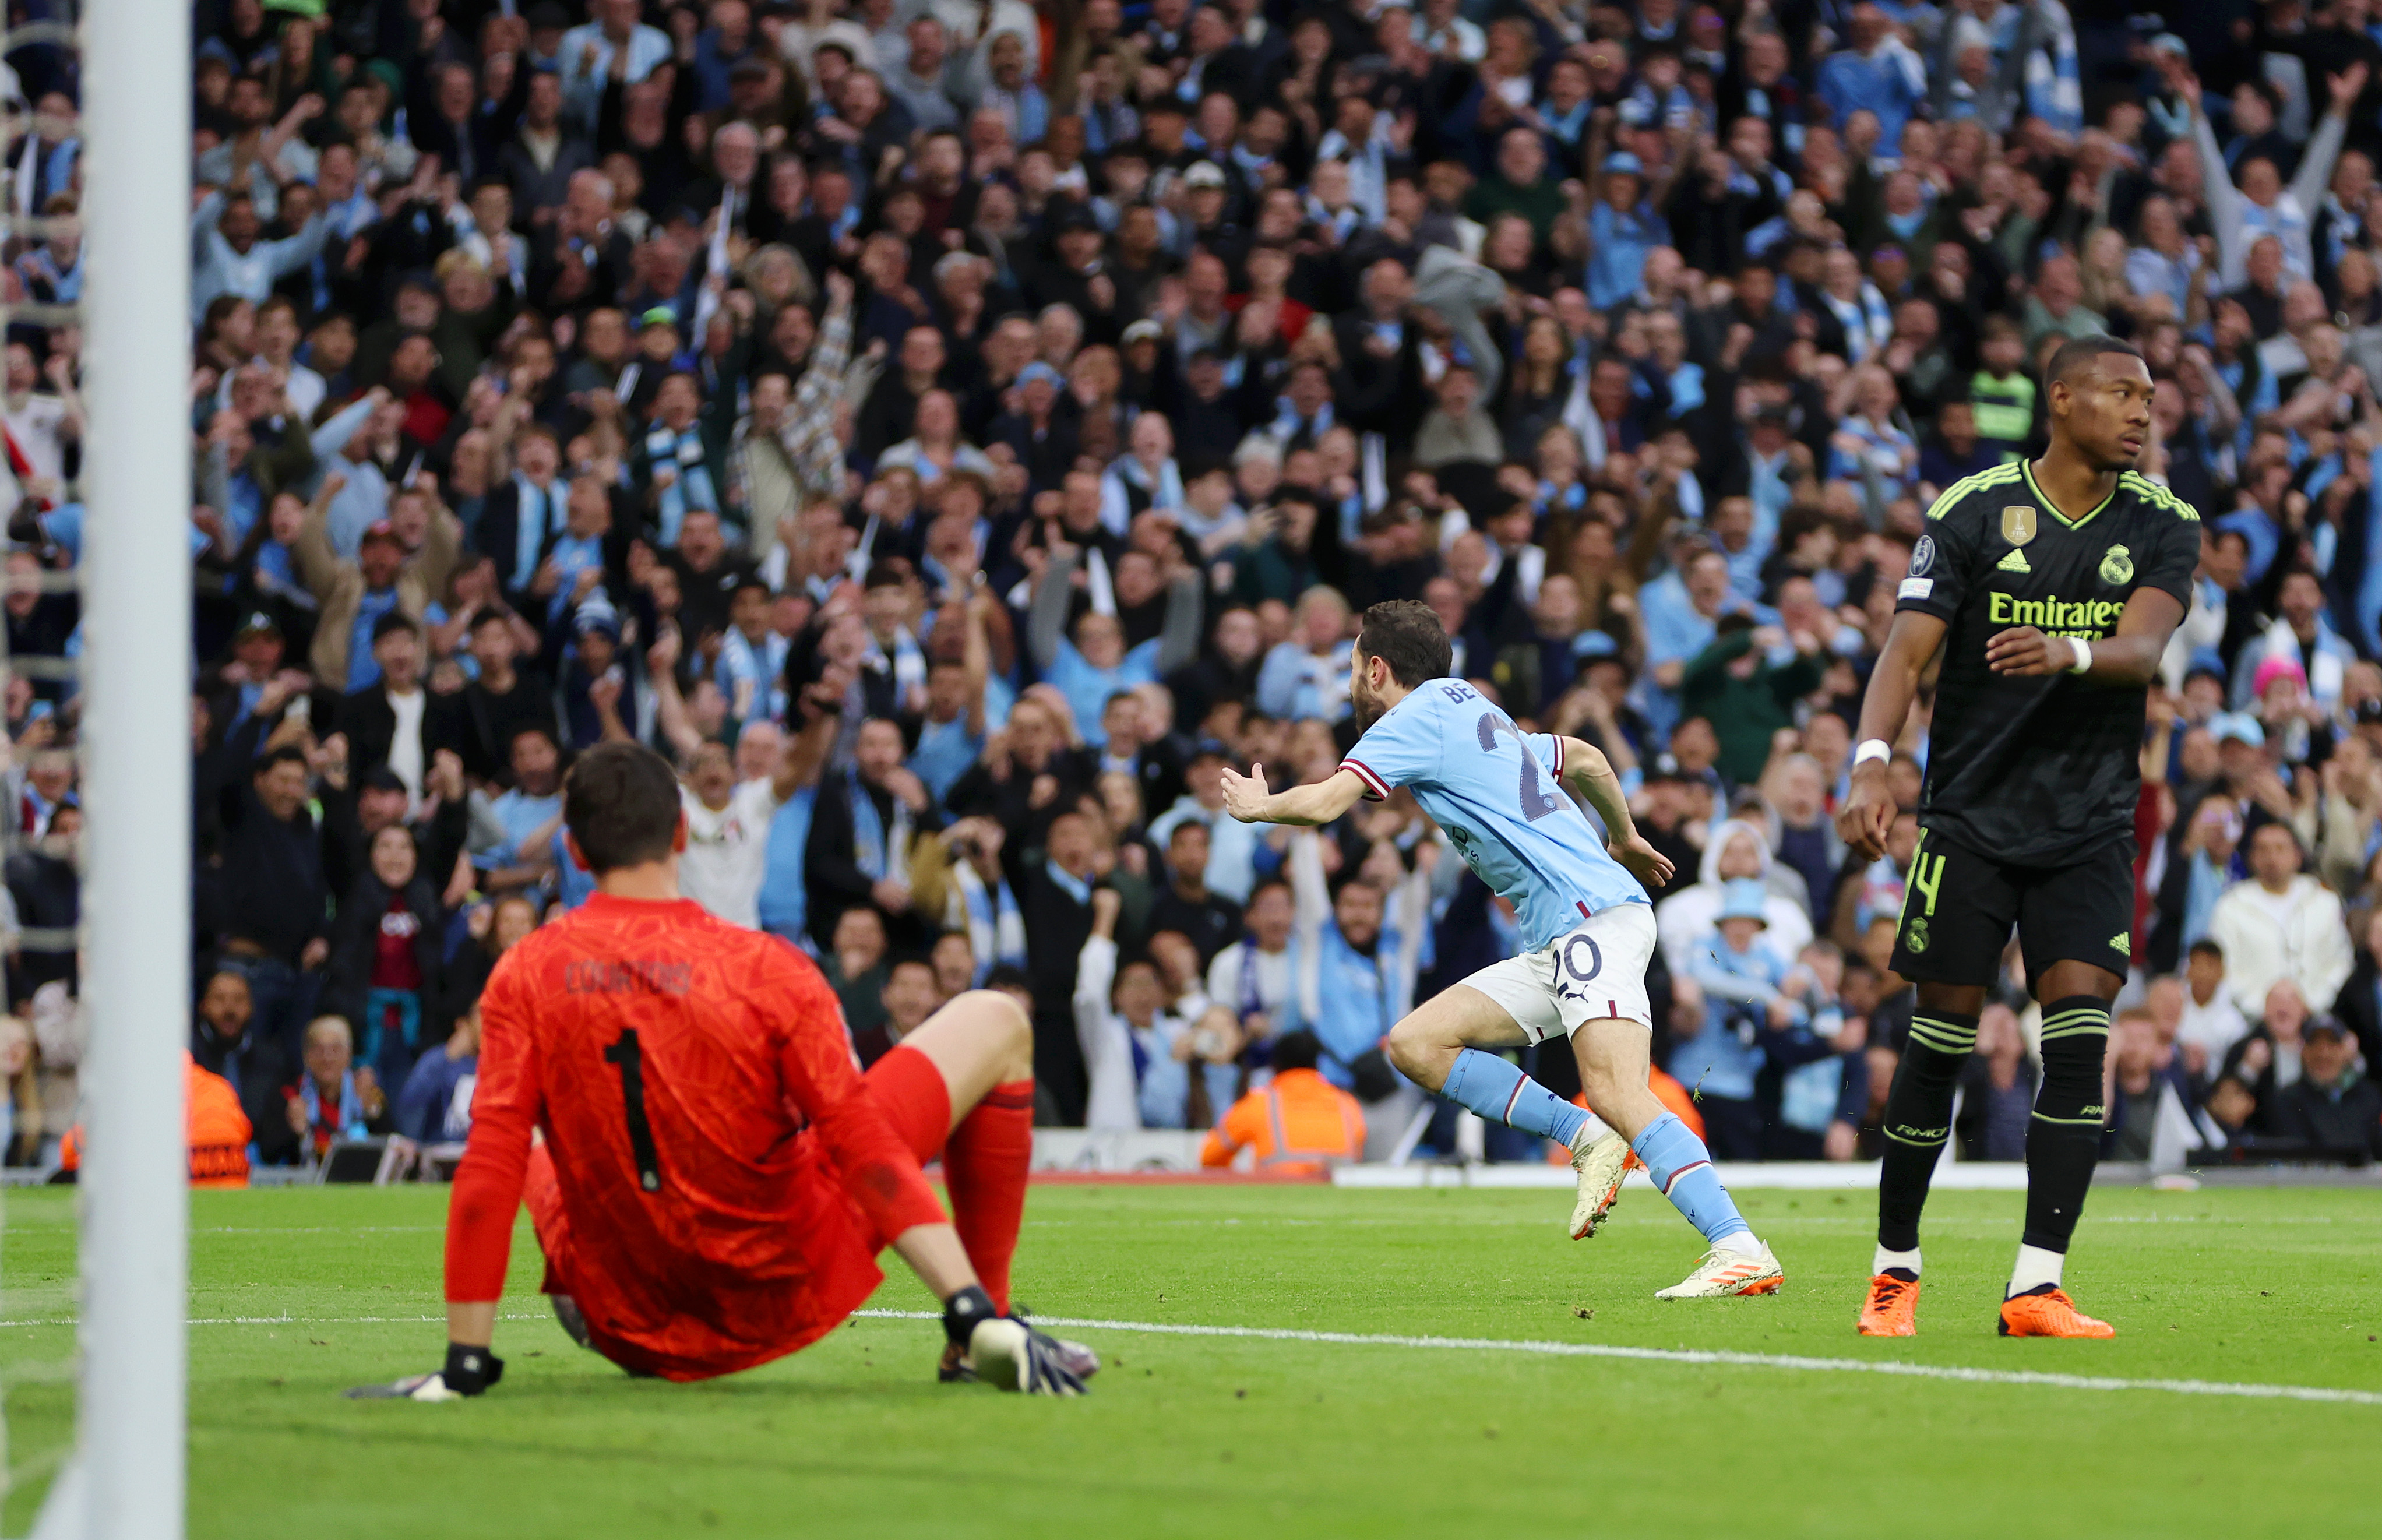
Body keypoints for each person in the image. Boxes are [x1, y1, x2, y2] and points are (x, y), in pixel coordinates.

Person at [353, 742, 1091, 1400]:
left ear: (574, 853)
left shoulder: (525, 971)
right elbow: (862, 1146)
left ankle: (577, 1291)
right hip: (775, 1287)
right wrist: (964, 1302)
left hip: (627, 1317)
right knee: (995, 1017)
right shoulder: (768, 966)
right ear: (680, 834)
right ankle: (981, 1329)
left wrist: (464, 1365)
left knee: (532, 1142)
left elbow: (488, 1166)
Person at [1222, 599, 1782, 1299]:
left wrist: (1258, 806)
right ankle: (1586, 1139)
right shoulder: (1473, 711)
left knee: (1617, 1089)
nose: (1349, 688)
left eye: (1352, 671)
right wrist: (1623, 837)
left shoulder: (1412, 719)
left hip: (1590, 921)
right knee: (1416, 1045)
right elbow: (1582, 757)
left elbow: (1322, 804)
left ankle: (1736, 1244)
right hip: (1562, 934)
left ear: (1376, 668)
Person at [1838, 334, 2201, 1340]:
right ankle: (1893, 1270)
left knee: (2079, 1040)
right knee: (1940, 1039)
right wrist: (1871, 758)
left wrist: (2070, 648)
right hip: (1969, 816)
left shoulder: (2163, 520)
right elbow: (1904, 655)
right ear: (2060, 399)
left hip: (2088, 823)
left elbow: (2140, 650)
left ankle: (2035, 1283)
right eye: (2119, 393)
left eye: (2148, 398)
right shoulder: (1966, 511)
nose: (2139, 411)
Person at [1199, 1030, 1363, 1175]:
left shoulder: (1261, 1104)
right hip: (1338, 1198)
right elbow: (1358, 1145)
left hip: (1276, 1196)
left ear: (1276, 1065)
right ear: (1317, 1063)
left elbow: (1210, 1157)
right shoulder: (1347, 1104)